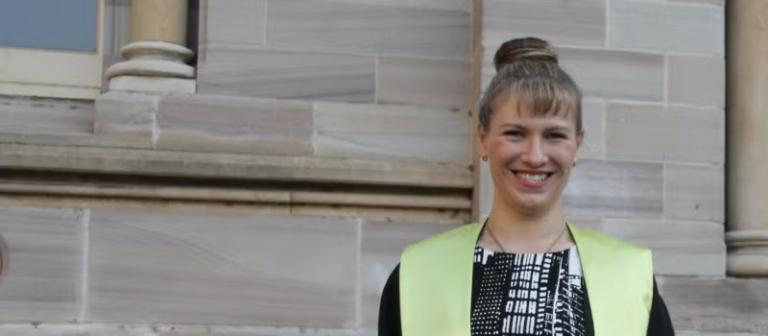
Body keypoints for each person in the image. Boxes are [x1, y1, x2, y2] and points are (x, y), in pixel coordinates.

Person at [378, 37, 675, 336]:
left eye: (554, 135)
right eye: (515, 133)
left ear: (577, 144)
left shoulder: (628, 277)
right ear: (482, 138)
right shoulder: (420, 274)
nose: (534, 156)